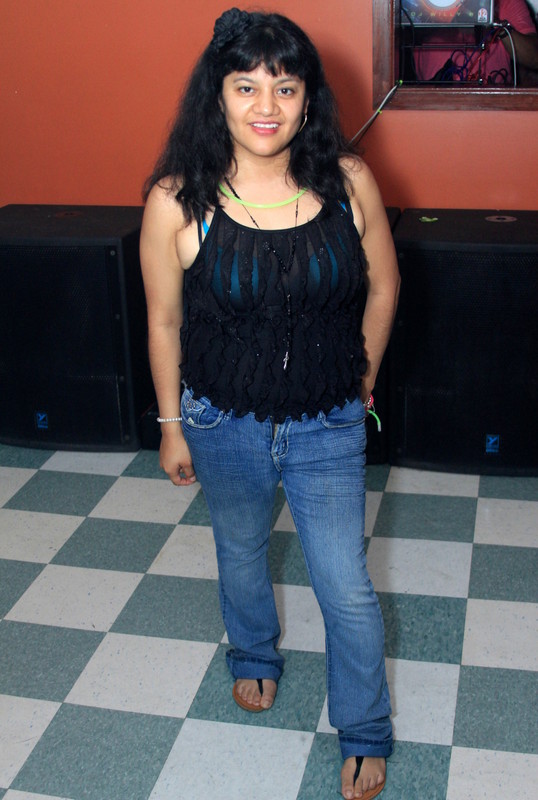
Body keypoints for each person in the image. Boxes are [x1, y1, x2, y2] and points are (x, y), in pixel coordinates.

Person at [140, 8, 400, 799]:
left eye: (285, 87)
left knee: (345, 582)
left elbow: (384, 286)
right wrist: (171, 426)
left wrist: (360, 377)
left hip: (328, 421)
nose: (266, 105)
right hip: (223, 420)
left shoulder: (348, 181)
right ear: (216, 95)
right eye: (246, 85)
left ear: (308, 98)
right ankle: (253, 653)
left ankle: (364, 725)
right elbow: (163, 320)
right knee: (242, 550)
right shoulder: (177, 200)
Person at [413, 0, 538, 85]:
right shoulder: (421, 3)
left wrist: (495, 25)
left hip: (491, 103)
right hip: (433, 102)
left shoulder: (505, 2)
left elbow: (534, 57)